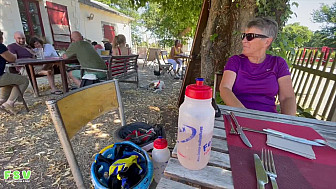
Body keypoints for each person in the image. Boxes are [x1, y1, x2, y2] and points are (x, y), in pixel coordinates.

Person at [219, 17, 296, 115]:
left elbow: (287, 97)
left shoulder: (278, 63)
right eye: (243, 36)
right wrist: (245, 114)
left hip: (268, 118)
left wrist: (288, 122)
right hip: (238, 117)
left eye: (250, 36)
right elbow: (225, 88)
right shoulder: (236, 61)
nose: (244, 41)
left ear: (267, 41)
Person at [0, 30, 29, 115]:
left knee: (11, 81)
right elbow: (12, 59)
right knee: (24, 80)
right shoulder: (1, 47)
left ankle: (1, 101)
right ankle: (9, 103)